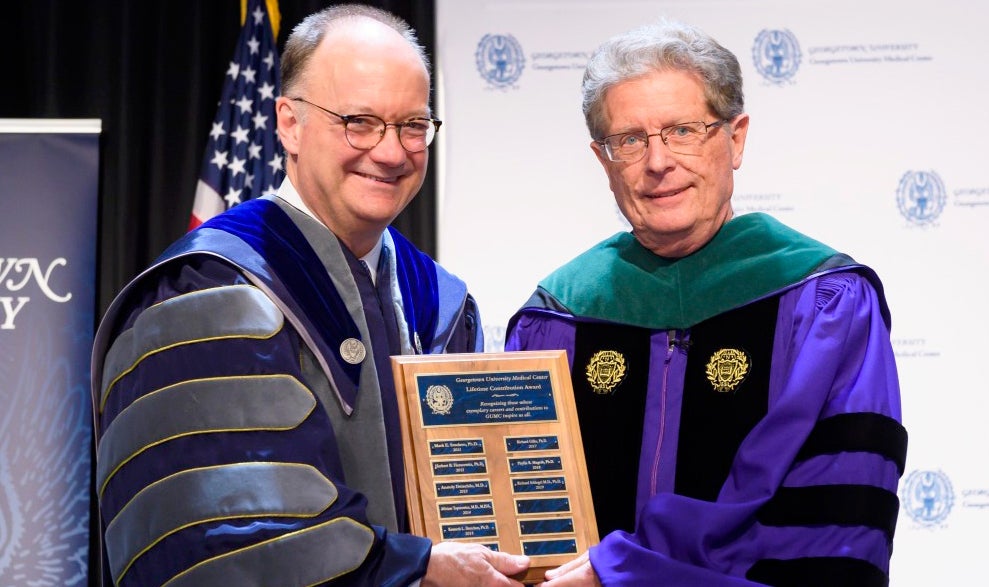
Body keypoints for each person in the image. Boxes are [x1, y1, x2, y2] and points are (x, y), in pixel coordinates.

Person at [90, 5, 530, 587]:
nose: (393, 152)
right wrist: (415, 571)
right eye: (360, 121)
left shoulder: (443, 303)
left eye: (412, 125)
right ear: (289, 123)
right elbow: (223, 537)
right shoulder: (207, 291)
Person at [505, 18, 907, 587]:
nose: (658, 161)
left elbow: (835, 524)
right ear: (604, 161)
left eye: (682, 130)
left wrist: (626, 571)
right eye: (630, 139)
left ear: (736, 138)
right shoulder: (556, 318)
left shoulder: (825, 304)